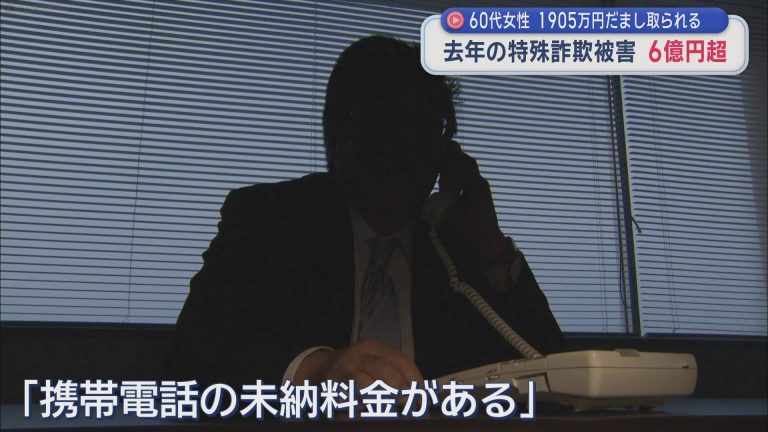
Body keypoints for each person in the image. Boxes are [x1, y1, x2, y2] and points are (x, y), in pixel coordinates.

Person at [170, 35, 562, 390]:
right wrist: (314, 371)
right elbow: (188, 359)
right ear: (337, 136)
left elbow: (558, 374)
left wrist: (491, 247)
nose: (404, 147)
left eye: (425, 127)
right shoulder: (268, 220)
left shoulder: (455, 246)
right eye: (384, 124)